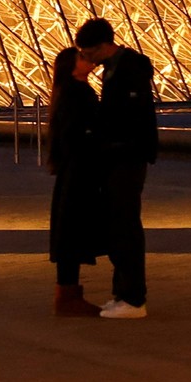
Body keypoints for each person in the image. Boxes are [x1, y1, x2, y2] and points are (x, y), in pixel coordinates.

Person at [74, 18, 156, 319]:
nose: (87, 59)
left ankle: (133, 299)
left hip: (127, 156)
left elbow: (128, 118)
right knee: (118, 224)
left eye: (89, 53)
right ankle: (123, 293)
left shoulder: (129, 69)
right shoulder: (117, 67)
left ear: (104, 46)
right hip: (121, 154)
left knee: (125, 225)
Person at [45, 46, 104, 316]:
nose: (87, 58)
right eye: (81, 57)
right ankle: (68, 297)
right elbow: (77, 133)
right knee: (72, 232)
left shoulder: (68, 92)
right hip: (79, 171)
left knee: (71, 232)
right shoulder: (75, 93)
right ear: (71, 67)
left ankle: (67, 294)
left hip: (73, 170)